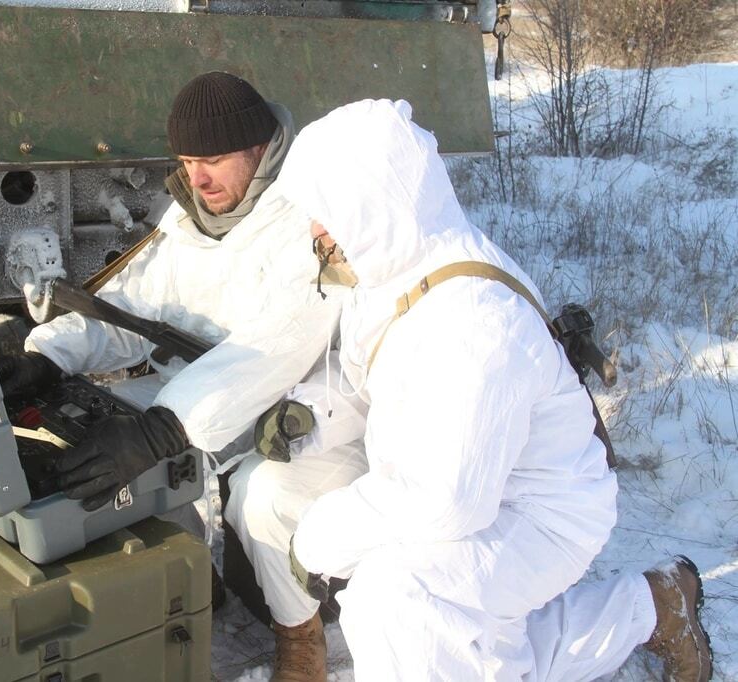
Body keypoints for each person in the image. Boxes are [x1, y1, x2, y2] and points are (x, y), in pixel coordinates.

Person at [274, 99, 713, 681]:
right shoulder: (399, 271)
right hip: (484, 489)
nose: (316, 231)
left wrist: (321, 540)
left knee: (400, 599)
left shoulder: (472, 321)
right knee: (460, 641)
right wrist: (314, 416)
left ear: (371, 205)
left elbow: (444, 499)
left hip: (542, 511)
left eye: (327, 213)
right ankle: (651, 607)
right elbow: (372, 382)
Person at [0, 72, 367, 681]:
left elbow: (275, 348)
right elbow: (131, 309)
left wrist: (163, 431)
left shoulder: (307, 218)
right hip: (204, 392)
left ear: (259, 147)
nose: (196, 178)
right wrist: (50, 356)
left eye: (213, 159)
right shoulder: (191, 216)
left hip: (306, 408)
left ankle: (298, 632)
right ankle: (190, 575)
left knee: (259, 496)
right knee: (90, 433)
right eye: (186, 160)